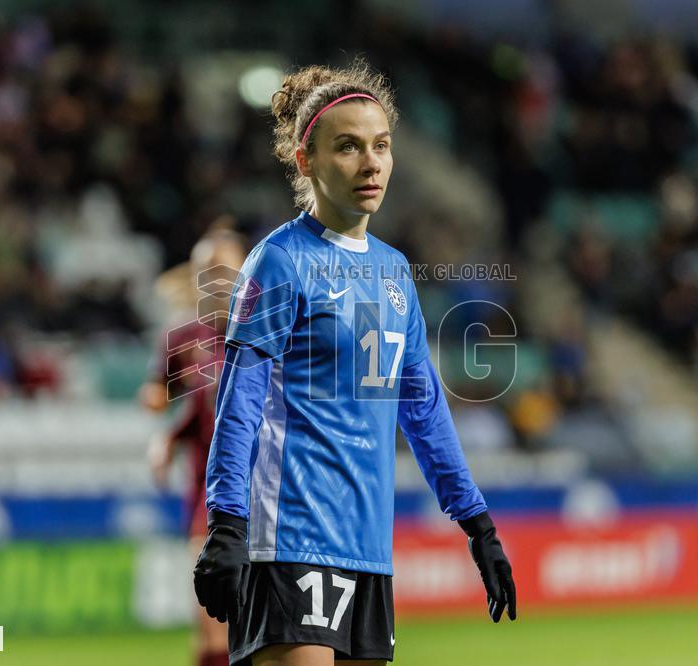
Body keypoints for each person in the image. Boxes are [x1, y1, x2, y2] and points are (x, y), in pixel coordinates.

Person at [193, 59, 517, 666]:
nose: (371, 163)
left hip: (367, 547)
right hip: (289, 538)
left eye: (381, 146)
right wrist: (227, 523)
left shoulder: (394, 272)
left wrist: (478, 524)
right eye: (348, 147)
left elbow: (422, 409)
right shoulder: (279, 262)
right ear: (306, 161)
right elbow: (239, 402)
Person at [142, 224, 246, 666]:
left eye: (222, 267)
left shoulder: (271, 332)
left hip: (271, 494)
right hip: (209, 492)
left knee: (261, 629)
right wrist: (166, 434)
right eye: (205, 269)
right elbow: (164, 398)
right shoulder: (183, 339)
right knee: (210, 626)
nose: (214, 276)